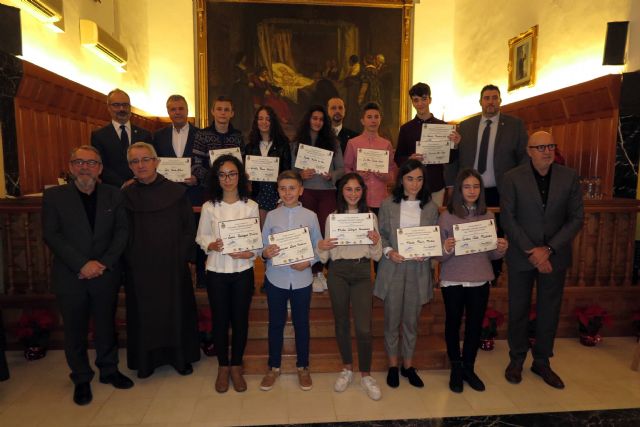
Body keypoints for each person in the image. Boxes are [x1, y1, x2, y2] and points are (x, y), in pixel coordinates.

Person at [42, 145, 133, 405]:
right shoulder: (54, 196)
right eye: (79, 162)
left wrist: (102, 263)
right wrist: (82, 264)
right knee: (75, 329)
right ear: (71, 167)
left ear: (100, 168)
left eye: (91, 163)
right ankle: (81, 377)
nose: (85, 167)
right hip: (71, 274)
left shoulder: (114, 195)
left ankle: (109, 369)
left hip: (105, 273)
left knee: (105, 325)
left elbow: (122, 232)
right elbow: (52, 235)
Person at [500, 131, 583, 390]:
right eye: (540, 147)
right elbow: (508, 218)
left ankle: (542, 361)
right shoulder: (512, 177)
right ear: (529, 151)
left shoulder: (569, 176)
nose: (547, 151)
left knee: (549, 310)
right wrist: (532, 250)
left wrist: (548, 249)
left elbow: (576, 218)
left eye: (550, 146)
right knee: (518, 308)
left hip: (554, 256)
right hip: (522, 255)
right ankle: (516, 359)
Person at [122, 142, 200, 379]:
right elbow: (121, 232)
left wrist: (182, 256)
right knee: (145, 315)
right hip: (140, 267)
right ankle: (146, 362)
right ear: (130, 166)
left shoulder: (176, 192)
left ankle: (180, 358)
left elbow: (189, 227)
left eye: (145, 159)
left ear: (156, 162)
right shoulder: (125, 195)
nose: (141, 165)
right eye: (135, 161)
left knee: (176, 311)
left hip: (172, 265)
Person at [437, 168, 508, 393]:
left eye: (476, 186)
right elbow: (439, 256)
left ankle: (469, 367)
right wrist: (446, 248)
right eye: (467, 186)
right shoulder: (447, 216)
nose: (471, 191)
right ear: (459, 189)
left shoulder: (488, 216)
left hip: (480, 279)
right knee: (453, 323)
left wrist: (500, 248)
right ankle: (456, 368)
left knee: (475, 326)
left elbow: (491, 254)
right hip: (453, 279)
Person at [317, 173, 383, 400]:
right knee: (342, 323)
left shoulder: (370, 217)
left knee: (364, 327)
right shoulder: (332, 218)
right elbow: (325, 257)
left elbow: (377, 255)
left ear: (363, 192)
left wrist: (376, 242)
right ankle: (347, 368)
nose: (353, 194)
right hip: (338, 272)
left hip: (363, 271)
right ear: (341, 192)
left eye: (357, 189)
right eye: (348, 189)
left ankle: (366, 374)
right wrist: (322, 246)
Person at [374, 159, 439, 389]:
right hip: (394, 267)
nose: (414, 184)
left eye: (419, 179)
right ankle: (393, 365)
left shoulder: (430, 207)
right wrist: (389, 252)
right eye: (410, 178)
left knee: (411, 321)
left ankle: (408, 366)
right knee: (392, 320)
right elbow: (382, 235)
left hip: (418, 269)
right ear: (401, 180)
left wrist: (427, 252)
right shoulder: (387, 204)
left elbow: (434, 238)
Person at [196, 155, 258, 393]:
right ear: (217, 178)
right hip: (216, 271)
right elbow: (201, 236)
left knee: (240, 320)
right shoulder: (209, 206)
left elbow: (255, 241)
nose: (228, 179)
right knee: (220, 321)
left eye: (232, 174)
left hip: (243, 271)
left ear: (239, 176)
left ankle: (236, 366)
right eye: (222, 175)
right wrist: (210, 244)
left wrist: (250, 252)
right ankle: (223, 366)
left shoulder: (250, 206)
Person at [259, 170, 322, 392]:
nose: (287, 193)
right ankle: (273, 367)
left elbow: (319, 247)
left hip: (302, 280)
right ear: (278, 190)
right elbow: (261, 247)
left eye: (292, 188)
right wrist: (265, 252)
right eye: (283, 188)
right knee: (275, 324)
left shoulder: (311, 216)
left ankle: (303, 367)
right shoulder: (271, 216)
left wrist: (309, 262)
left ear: (301, 190)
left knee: (301, 324)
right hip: (276, 279)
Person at [153, 94, 207, 289]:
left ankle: (201, 277)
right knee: (173, 236)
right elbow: (154, 164)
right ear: (168, 112)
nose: (177, 112)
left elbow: (208, 163)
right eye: (173, 109)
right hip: (167, 196)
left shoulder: (201, 134)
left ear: (187, 110)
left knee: (198, 235)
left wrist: (198, 178)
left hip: (194, 194)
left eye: (180, 108)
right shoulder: (158, 136)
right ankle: (176, 278)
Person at [445, 84, 528, 207]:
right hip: (469, 190)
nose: (490, 102)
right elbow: (454, 157)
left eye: (495, 98)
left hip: (501, 191)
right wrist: (451, 185)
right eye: (486, 98)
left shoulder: (514, 125)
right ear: (480, 102)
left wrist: (520, 185)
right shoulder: (465, 126)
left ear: (500, 101)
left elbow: (524, 157)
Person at [292, 105, 345, 292]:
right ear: (308, 119)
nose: (317, 122)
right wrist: (300, 174)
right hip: (306, 191)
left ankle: (324, 271)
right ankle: (312, 272)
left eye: (321, 119)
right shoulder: (297, 143)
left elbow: (342, 169)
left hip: (327, 192)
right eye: (314, 118)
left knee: (325, 231)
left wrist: (332, 175)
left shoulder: (333, 142)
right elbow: (291, 170)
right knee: (308, 232)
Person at [394, 82, 460, 207]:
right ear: (412, 102)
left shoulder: (443, 127)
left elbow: (450, 159)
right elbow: (398, 158)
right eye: (416, 100)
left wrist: (455, 145)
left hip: (435, 185)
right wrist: (409, 159)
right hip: (412, 186)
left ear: (430, 100)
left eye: (424, 99)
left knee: (434, 218)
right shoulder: (405, 129)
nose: (420, 103)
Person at [91, 89, 152, 188]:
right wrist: (122, 184)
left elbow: (150, 162)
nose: (121, 109)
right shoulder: (99, 136)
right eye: (116, 105)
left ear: (130, 107)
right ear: (108, 108)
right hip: (112, 190)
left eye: (125, 105)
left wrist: (135, 180)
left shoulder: (145, 134)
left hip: (142, 187)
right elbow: (99, 164)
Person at [343, 102, 396, 214]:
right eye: (369, 117)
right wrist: (357, 176)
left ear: (380, 120)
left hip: (381, 199)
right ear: (362, 121)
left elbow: (392, 171)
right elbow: (346, 169)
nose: (373, 120)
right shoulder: (353, 143)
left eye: (376, 117)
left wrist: (385, 176)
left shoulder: (386, 144)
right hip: (358, 199)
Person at [245, 105, 292, 226]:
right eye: (260, 118)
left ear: (273, 122)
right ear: (256, 122)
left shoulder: (283, 144)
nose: (264, 122)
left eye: (268, 119)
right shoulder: (250, 146)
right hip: (257, 193)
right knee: (260, 230)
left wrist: (281, 198)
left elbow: (286, 172)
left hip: (276, 193)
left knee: (277, 229)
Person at [192, 96, 245, 187]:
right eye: (219, 109)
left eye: (226, 110)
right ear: (212, 111)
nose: (223, 113)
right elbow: (195, 165)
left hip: (233, 188)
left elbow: (242, 164)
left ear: (232, 113)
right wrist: (215, 178)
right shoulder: (202, 135)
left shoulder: (238, 136)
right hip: (209, 188)